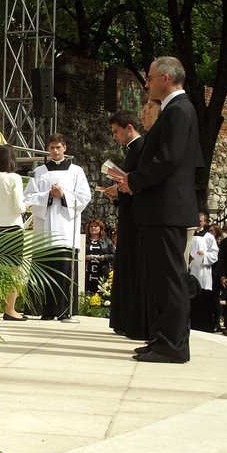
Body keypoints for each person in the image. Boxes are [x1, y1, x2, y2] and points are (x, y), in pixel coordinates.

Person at [113, 56, 204, 364]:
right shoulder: (175, 110)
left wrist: (133, 180)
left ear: (165, 79)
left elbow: (168, 160)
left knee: (170, 280)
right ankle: (161, 339)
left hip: (168, 209)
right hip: (160, 210)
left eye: (150, 77)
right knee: (160, 279)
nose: (147, 82)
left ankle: (173, 345)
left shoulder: (179, 110)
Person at [24, 133, 92, 319]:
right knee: (45, 271)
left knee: (64, 270)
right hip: (44, 228)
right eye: (52, 147)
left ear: (65, 148)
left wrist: (62, 195)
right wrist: (48, 195)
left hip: (65, 227)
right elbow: (28, 198)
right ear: (48, 149)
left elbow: (85, 196)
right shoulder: (39, 172)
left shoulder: (76, 171)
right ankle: (45, 311)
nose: (55, 151)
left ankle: (64, 311)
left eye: (58, 147)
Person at [104, 111, 145, 338]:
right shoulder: (133, 150)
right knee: (125, 266)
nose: (114, 137)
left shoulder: (141, 147)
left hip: (137, 218)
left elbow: (140, 182)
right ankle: (123, 319)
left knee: (132, 267)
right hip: (129, 214)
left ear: (129, 127)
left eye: (116, 131)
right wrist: (118, 191)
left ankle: (130, 320)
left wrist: (121, 188)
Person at [0, 145, 28, 321]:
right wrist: (26, 206)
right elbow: (19, 206)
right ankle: (10, 309)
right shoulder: (14, 178)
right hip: (12, 228)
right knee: (13, 270)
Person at [188, 212, 219, 332]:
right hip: (190, 269)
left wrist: (204, 255)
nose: (197, 222)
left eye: (200, 221)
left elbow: (214, 254)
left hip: (202, 271)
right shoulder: (188, 234)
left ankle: (203, 326)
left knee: (203, 300)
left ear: (204, 222)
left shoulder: (208, 237)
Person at [84, 219, 115, 293]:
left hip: (102, 272)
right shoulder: (83, 240)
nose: (93, 228)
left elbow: (115, 255)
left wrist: (105, 257)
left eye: (96, 226)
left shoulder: (107, 241)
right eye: (91, 226)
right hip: (87, 273)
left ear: (100, 228)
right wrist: (84, 257)